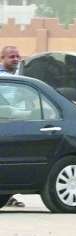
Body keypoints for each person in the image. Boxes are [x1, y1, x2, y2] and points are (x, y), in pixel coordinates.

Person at [0, 45, 25, 208]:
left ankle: (6, 196)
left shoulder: (16, 78)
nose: (16, 59)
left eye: (17, 56)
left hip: (13, 127)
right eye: (11, 56)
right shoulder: (2, 78)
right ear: (2, 59)